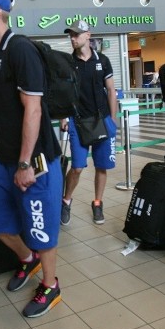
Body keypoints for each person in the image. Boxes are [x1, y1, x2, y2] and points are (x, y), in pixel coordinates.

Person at [0, 0, 64, 318]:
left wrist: (25, 163)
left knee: (40, 228)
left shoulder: (20, 50)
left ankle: (51, 286)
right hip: (5, 158)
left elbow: (33, 111)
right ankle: (27, 259)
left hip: (33, 158)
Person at [60, 20, 118, 226]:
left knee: (101, 167)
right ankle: (66, 201)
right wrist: (63, 117)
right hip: (78, 121)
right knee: (76, 167)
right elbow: (63, 92)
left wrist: (113, 118)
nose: (73, 38)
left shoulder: (102, 60)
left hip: (102, 120)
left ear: (88, 35)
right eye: (71, 35)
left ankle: (97, 203)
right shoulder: (67, 63)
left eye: (76, 34)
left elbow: (111, 90)